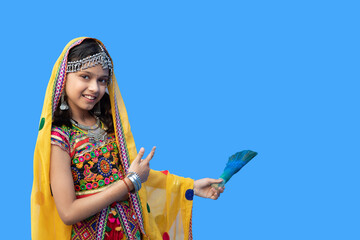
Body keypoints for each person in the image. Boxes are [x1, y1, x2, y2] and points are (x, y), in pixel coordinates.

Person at [31, 37, 224, 240]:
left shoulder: (107, 127)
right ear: (64, 77)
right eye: (85, 77)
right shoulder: (59, 139)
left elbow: (138, 178)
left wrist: (192, 186)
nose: (95, 88)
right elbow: (68, 212)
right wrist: (129, 183)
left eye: (102, 80)